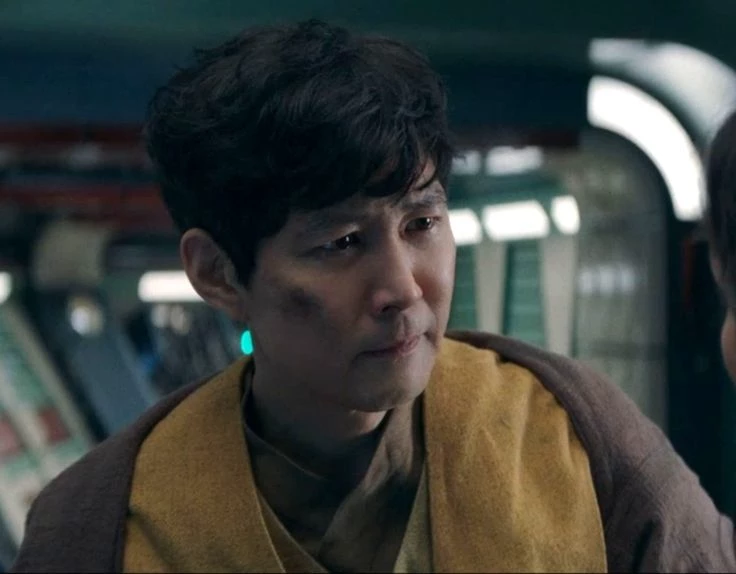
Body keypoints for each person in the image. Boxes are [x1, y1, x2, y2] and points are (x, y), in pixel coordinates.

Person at [11, 20, 736, 573]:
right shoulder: (101, 526)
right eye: (342, 243)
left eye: (422, 224)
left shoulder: (573, 435)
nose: (403, 287)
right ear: (219, 274)